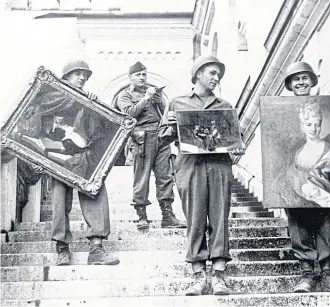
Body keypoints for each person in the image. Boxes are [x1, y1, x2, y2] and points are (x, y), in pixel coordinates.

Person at [159, 55, 245, 296]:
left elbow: (237, 138)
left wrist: (238, 144)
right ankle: (199, 276)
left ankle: (219, 275)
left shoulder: (225, 106)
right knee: (195, 220)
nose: (216, 78)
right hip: (190, 167)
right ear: (197, 74)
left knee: (219, 218)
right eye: (212, 73)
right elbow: (162, 137)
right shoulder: (177, 103)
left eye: (218, 75)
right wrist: (172, 126)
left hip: (219, 166)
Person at [41, 60, 119, 266]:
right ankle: (62, 249)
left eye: (85, 75)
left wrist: (94, 105)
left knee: (95, 193)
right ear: (65, 77)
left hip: (85, 157)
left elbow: (102, 130)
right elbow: (38, 129)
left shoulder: (87, 101)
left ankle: (96, 248)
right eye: (78, 74)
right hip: (58, 158)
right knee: (59, 202)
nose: (83, 78)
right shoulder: (50, 100)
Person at [282, 61, 330, 292]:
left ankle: (329, 273)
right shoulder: (288, 133)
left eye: (305, 78)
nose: (300, 82)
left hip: (323, 194)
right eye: (295, 79)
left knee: (326, 227)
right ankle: (307, 274)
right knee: (298, 228)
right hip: (296, 192)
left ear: (312, 81)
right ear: (289, 84)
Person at [116, 61, 186, 230]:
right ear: (130, 78)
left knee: (165, 177)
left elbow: (165, 113)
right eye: (138, 75)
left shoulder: (154, 94)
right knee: (142, 178)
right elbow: (128, 115)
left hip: (161, 137)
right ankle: (142, 216)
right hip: (141, 138)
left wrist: (159, 101)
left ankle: (168, 216)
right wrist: (146, 98)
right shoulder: (125, 95)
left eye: (144, 74)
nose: (142, 77)